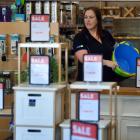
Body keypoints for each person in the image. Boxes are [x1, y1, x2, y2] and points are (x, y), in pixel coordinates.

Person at [72, 6, 125, 82]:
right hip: (89, 82)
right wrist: (106, 62)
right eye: (85, 17)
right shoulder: (80, 37)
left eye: (91, 17)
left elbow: (116, 48)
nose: (88, 20)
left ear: (98, 19)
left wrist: (124, 47)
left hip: (109, 81)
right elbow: (83, 58)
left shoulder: (105, 34)